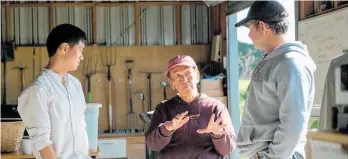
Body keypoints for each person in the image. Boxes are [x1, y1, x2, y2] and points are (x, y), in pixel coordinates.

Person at [234, 1, 316, 159]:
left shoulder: (290, 63)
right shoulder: (276, 59)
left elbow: (293, 123)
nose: (249, 35)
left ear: (263, 27)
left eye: (250, 28)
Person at [18, 24, 90, 159]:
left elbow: (81, 129)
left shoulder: (75, 85)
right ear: (64, 48)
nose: (82, 57)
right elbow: (42, 143)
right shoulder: (37, 90)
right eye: (80, 50)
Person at [145, 55, 236, 159]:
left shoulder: (216, 107)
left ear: (197, 76)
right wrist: (167, 128)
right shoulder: (163, 109)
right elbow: (152, 145)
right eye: (178, 75)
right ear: (171, 83)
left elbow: (228, 149)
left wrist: (217, 134)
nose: (184, 79)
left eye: (188, 73)